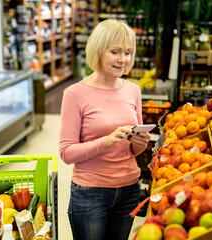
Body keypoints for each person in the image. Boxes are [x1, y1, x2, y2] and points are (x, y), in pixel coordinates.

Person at [59, 19, 151, 240]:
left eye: (128, 52)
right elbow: (66, 153)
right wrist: (107, 141)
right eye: (115, 52)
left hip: (129, 189)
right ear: (98, 51)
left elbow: (133, 151)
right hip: (91, 193)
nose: (123, 59)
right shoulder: (74, 94)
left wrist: (141, 143)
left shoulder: (133, 90)